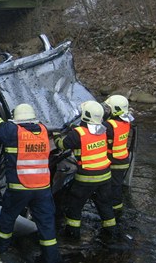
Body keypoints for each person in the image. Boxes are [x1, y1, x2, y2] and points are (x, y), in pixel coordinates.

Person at [0, 100, 61, 263]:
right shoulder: (43, 131)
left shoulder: (13, 132)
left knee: (8, 218)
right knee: (46, 225)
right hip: (42, 189)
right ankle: (51, 258)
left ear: (17, 120)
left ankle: (1, 249)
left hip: (20, 188)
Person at [54, 100, 116, 242]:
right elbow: (88, 131)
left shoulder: (78, 134)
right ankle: (111, 234)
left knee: (75, 207)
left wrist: (57, 134)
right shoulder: (104, 129)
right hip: (105, 176)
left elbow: (63, 144)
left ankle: (72, 236)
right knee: (105, 205)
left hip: (86, 179)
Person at [103, 95, 134, 215]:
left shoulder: (110, 125)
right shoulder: (126, 121)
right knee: (117, 186)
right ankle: (117, 208)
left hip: (114, 161)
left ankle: (115, 211)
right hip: (122, 159)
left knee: (113, 187)